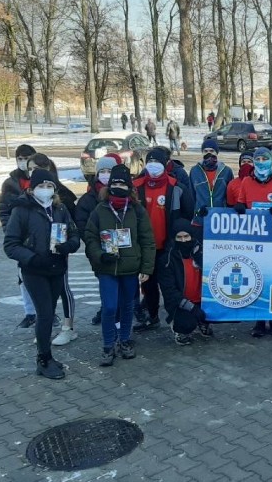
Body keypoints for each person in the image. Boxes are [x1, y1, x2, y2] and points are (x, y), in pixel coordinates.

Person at [3, 169, 80, 379]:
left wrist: (68, 246)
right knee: (45, 313)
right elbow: (10, 245)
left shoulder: (60, 208)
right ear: (31, 188)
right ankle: (43, 359)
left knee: (49, 310)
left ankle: (47, 356)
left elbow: (74, 234)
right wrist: (32, 258)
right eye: (40, 186)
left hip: (56, 268)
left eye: (49, 186)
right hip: (34, 270)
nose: (45, 190)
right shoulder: (22, 210)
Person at [84, 165, 156, 366]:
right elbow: (90, 237)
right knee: (109, 307)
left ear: (129, 187)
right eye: (114, 183)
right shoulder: (100, 209)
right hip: (107, 268)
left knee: (126, 307)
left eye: (122, 183)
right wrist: (99, 255)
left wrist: (146, 268)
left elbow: (147, 240)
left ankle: (125, 340)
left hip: (130, 268)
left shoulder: (137, 210)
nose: (118, 186)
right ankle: (108, 344)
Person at [235, 147, 272, 337]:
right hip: (254, 240)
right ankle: (259, 321)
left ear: (271, 160)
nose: (261, 161)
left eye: (264, 158)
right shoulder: (246, 181)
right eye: (257, 158)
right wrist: (239, 208)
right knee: (256, 279)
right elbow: (242, 203)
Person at [134, 148, 194, 332]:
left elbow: (188, 212)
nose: (153, 165)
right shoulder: (136, 187)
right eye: (150, 161)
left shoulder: (177, 188)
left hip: (168, 247)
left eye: (157, 162)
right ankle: (152, 317)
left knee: (171, 286)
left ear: (166, 164)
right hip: (145, 247)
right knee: (148, 285)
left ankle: (177, 320)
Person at [27, 154, 78, 345]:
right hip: (35, 255)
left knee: (62, 288)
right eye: (31, 169)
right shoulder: (24, 198)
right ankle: (44, 328)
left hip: (58, 252)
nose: (34, 172)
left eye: (39, 168)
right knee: (41, 294)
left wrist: (67, 244)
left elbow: (72, 227)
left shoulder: (62, 198)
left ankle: (68, 326)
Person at [75, 154, 120, 326]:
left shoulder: (127, 193)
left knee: (124, 283)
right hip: (98, 251)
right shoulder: (88, 198)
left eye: (110, 171)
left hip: (124, 248)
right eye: (103, 171)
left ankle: (123, 313)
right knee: (104, 281)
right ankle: (106, 308)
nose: (106, 174)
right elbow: (81, 224)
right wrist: (94, 245)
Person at [0, 144, 38, 329]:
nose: (23, 162)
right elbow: (4, 210)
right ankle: (30, 312)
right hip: (21, 238)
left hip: (40, 236)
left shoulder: (41, 179)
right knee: (23, 277)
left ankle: (47, 312)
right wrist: (10, 232)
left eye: (27, 158)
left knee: (46, 276)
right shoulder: (10, 183)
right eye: (20, 159)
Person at [158, 218, 212, 346]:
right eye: (179, 237)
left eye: (186, 236)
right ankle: (178, 328)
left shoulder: (201, 252)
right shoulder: (167, 259)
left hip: (201, 299)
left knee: (219, 313)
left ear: (191, 236)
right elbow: (169, 291)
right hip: (181, 302)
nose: (183, 240)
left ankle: (203, 322)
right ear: (174, 238)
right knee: (186, 323)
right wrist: (191, 307)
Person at [190, 138, 233, 230]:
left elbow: (230, 196)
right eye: (205, 151)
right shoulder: (194, 171)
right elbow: (192, 196)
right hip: (200, 220)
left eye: (212, 151)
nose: (208, 153)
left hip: (221, 220)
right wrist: (197, 212)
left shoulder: (226, 171)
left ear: (216, 153)